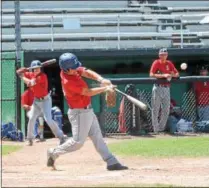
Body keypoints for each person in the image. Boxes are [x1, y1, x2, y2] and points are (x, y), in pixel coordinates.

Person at [47, 53, 128, 171]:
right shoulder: (68, 81)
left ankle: (111, 162)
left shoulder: (70, 70)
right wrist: (105, 88)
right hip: (79, 113)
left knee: (98, 138)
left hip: (87, 110)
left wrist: (101, 79)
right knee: (77, 142)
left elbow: (85, 71)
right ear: (67, 69)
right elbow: (88, 92)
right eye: (74, 68)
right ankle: (53, 153)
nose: (77, 69)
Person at [16, 60, 66, 146]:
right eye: (34, 69)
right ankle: (30, 139)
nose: (36, 70)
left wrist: (21, 76)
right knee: (31, 118)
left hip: (45, 100)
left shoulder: (42, 76)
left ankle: (61, 136)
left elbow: (29, 82)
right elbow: (20, 73)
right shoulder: (30, 74)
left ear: (40, 69)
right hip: (36, 101)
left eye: (38, 68)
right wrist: (20, 71)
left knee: (48, 120)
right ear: (32, 69)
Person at [149, 48, 179, 134]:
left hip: (166, 88)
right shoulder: (156, 62)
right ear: (159, 55)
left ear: (167, 55)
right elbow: (151, 74)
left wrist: (171, 75)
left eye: (165, 54)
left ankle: (160, 128)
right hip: (157, 87)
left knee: (166, 110)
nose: (163, 56)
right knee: (155, 109)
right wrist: (163, 75)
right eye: (162, 54)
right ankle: (155, 130)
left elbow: (177, 74)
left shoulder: (169, 63)